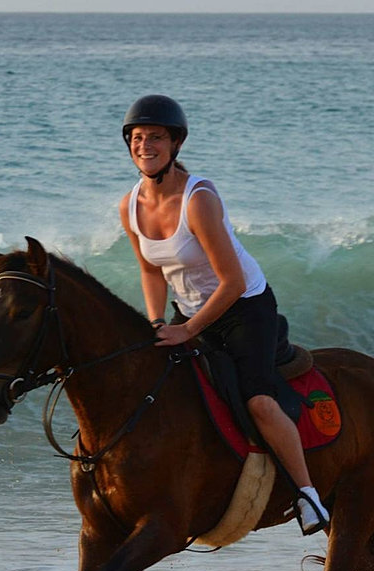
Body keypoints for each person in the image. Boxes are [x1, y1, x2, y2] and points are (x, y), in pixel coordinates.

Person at [118, 94, 331, 536]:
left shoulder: (198, 199)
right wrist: (157, 322)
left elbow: (231, 281)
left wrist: (188, 331)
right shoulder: (130, 205)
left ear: (175, 143)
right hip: (188, 309)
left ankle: (308, 494)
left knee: (257, 400)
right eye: (137, 138)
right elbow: (150, 270)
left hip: (244, 308)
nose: (145, 146)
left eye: (155, 137)